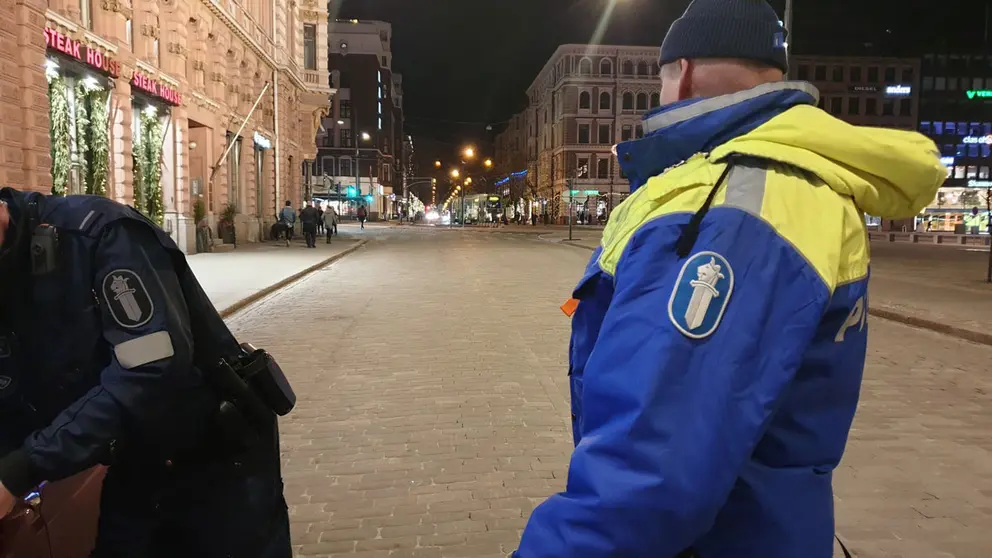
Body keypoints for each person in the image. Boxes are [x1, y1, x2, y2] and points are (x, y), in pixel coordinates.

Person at [512, 1, 945, 557]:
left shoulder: (731, 200)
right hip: (766, 525)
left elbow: (653, 472)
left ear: (682, 72)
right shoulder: (791, 182)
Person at [0, 188, 292, 557]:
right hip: (131, 463)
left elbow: (151, 367)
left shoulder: (99, 232)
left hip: (215, 459)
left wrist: (22, 468)